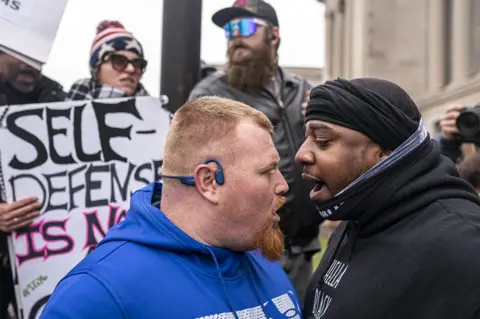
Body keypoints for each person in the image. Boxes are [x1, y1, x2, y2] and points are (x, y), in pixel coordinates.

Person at [40, 96, 303, 318]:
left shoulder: (259, 256)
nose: (282, 185)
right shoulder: (98, 292)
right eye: (268, 170)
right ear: (209, 181)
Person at [296, 78, 480, 319]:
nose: (301, 154)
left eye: (323, 141)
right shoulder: (357, 216)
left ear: (384, 154)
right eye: (306, 137)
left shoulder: (466, 246)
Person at [189, 0, 322, 300]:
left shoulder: (302, 90)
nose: (235, 36)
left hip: (301, 249)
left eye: (245, 27)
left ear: (274, 35)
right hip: (245, 253)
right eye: (229, 29)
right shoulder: (212, 94)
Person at [0, 50, 65, 319]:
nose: (30, 64)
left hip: (45, 255)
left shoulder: (58, 98)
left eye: (38, 55)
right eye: (19, 54)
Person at [67, 20, 149, 101]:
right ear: (97, 70)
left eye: (137, 64)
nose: (131, 69)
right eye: (119, 61)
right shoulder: (59, 108)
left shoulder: (156, 110)